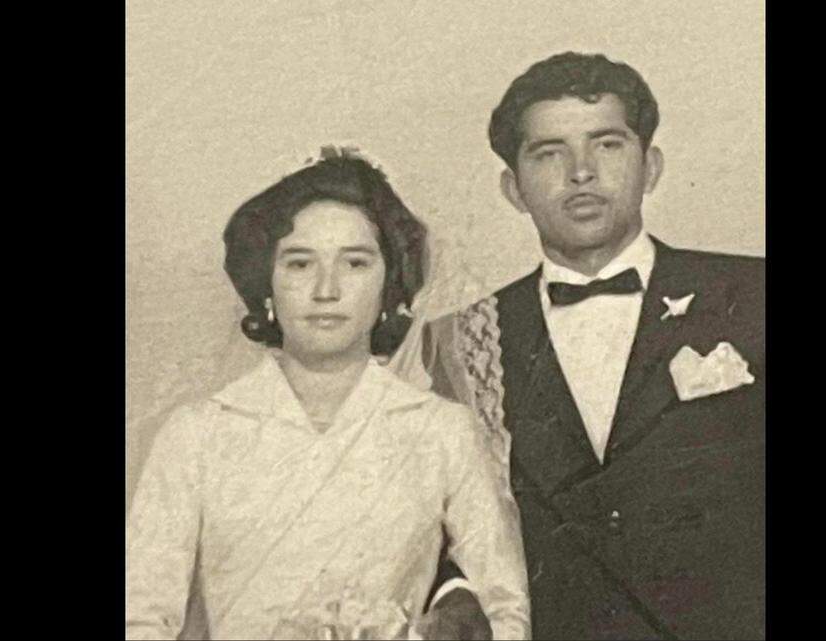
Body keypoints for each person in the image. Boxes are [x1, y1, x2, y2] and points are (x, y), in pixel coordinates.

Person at [415, 52, 765, 639]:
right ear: (513, 189)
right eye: (548, 153)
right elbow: (426, 524)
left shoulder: (753, 295)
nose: (581, 172)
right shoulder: (458, 342)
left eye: (607, 145)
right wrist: (457, 597)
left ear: (651, 166)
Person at [125, 148, 530, 640]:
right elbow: (139, 618)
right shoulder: (196, 434)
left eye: (355, 263)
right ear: (266, 285)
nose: (326, 290)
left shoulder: (441, 430)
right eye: (299, 264)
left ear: (388, 284)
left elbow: (505, 608)